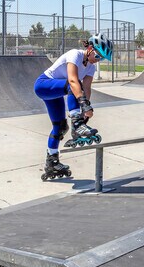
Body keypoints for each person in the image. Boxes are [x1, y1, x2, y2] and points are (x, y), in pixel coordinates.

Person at [34, 33, 113, 180]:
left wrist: (85, 110)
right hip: (43, 85)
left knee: (60, 127)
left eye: (101, 59)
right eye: (98, 56)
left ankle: (52, 162)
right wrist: (79, 113)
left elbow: (87, 89)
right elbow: (72, 80)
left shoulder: (91, 68)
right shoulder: (74, 55)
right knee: (74, 85)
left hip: (57, 92)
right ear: (90, 48)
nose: (98, 60)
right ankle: (75, 123)